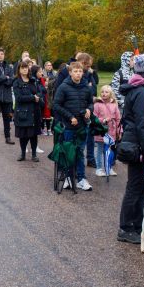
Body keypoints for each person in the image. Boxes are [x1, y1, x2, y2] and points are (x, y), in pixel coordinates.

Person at [117, 53, 144, 244]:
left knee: (143, 187)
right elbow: (142, 124)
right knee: (135, 187)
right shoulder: (142, 91)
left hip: (138, 142)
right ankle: (126, 228)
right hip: (139, 145)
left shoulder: (140, 87)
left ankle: (138, 224)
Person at [52, 61, 95, 191]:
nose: (78, 74)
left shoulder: (86, 87)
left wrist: (89, 110)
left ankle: (81, 178)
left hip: (82, 126)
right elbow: (56, 105)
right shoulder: (63, 87)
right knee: (68, 152)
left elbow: (90, 103)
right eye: (75, 71)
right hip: (68, 126)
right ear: (70, 72)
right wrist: (70, 117)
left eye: (80, 71)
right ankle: (67, 177)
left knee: (80, 152)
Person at [12, 62, 44, 161]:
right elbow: (19, 98)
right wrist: (33, 97)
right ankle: (22, 154)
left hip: (34, 111)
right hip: (23, 112)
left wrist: (38, 96)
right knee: (23, 135)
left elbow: (40, 91)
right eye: (23, 68)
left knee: (33, 135)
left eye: (26, 68)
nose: (25, 70)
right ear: (19, 69)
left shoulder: (33, 80)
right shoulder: (16, 82)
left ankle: (34, 154)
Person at [93, 85, 121, 177]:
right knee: (100, 150)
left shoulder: (114, 104)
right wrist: (103, 120)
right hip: (100, 131)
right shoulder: (97, 104)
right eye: (102, 92)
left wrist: (118, 131)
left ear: (110, 94)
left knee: (109, 150)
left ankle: (108, 167)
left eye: (106, 92)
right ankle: (99, 168)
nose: (104, 94)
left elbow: (118, 119)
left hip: (111, 131)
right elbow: (94, 118)